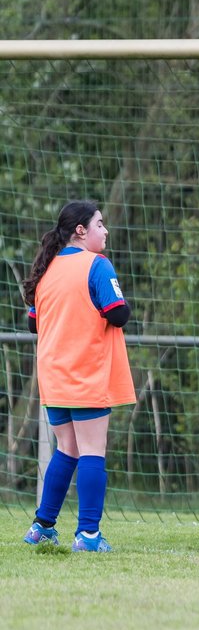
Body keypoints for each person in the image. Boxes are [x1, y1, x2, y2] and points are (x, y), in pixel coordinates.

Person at [21, 200, 135, 553]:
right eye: (100, 224)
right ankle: (88, 535)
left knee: (66, 449)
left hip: (53, 374)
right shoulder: (96, 265)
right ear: (81, 230)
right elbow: (118, 314)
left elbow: (32, 322)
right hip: (85, 372)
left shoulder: (47, 269)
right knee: (91, 452)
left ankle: (42, 526)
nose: (106, 231)